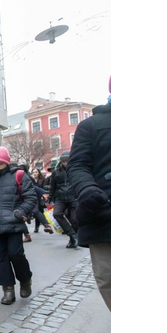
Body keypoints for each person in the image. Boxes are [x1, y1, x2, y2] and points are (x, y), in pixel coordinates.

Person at [68, 84, 111, 310]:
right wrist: (87, 189)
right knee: (110, 280)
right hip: (104, 215)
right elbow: (77, 166)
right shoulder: (91, 126)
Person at [0, 147, 36, 305]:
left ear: (6, 162)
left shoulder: (19, 175)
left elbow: (30, 197)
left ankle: (25, 279)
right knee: (1, 257)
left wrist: (19, 213)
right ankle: (8, 289)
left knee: (16, 254)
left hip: (13, 224)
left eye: (0, 164)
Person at [49, 152, 79, 248]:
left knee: (74, 219)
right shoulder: (56, 171)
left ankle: (73, 238)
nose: (65, 163)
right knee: (57, 214)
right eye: (64, 161)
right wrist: (50, 198)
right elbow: (52, 186)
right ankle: (72, 235)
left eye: (67, 161)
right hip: (60, 197)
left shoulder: (75, 169)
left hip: (74, 196)